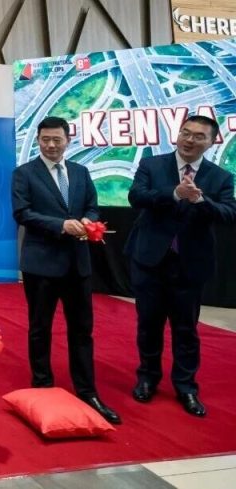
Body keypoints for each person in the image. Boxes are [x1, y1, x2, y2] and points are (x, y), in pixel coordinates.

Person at [11, 116, 121, 425]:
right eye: (45, 139)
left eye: (56, 140)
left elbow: (92, 206)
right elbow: (22, 213)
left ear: (67, 140)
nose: (51, 145)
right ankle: (43, 387)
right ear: (38, 140)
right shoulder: (24, 173)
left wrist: (88, 220)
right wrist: (61, 225)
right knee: (40, 328)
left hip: (77, 264)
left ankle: (87, 391)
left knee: (82, 330)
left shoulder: (80, 172)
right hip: (41, 264)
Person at [125, 115, 236, 417]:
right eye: (185, 133)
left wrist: (201, 202)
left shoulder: (220, 177)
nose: (189, 140)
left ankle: (186, 387)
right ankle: (147, 378)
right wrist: (175, 194)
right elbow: (136, 196)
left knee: (186, 330)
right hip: (150, 260)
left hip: (190, 265)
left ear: (212, 141)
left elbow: (229, 213)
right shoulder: (152, 165)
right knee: (148, 325)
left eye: (198, 136)